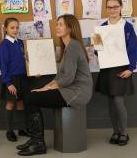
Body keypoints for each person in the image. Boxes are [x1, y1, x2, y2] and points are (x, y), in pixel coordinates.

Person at [16, 14, 93, 156]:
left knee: (31, 98)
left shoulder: (73, 46)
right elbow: (60, 76)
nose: (57, 27)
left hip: (77, 92)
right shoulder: (68, 46)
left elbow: (68, 78)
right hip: (70, 89)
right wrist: (46, 86)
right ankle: (35, 140)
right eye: (57, 24)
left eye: (61, 24)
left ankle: (37, 143)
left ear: (70, 28)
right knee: (31, 94)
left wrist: (49, 87)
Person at [94, 0, 137, 146]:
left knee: (119, 101)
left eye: (115, 7)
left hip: (122, 69)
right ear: (106, 9)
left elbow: (133, 49)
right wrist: (98, 47)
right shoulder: (101, 27)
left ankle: (124, 133)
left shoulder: (127, 27)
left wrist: (131, 69)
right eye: (109, 7)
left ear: (121, 7)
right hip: (107, 69)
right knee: (111, 103)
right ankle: (115, 131)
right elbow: (97, 50)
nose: (112, 10)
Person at [0, 17, 29, 142]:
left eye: (17, 27)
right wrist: (8, 83)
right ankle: (9, 131)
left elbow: (27, 60)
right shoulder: (4, 45)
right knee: (11, 103)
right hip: (11, 79)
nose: (15, 30)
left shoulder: (21, 43)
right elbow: (3, 65)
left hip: (23, 78)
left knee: (21, 103)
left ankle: (22, 129)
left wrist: (33, 71)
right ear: (6, 29)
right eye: (12, 27)